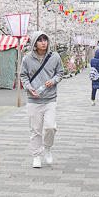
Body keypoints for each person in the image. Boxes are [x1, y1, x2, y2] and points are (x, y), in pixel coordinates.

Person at [18, 31, 64, 169]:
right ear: (34, 43)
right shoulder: (27, 58)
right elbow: (23, 75)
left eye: (45, 40)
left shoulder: (55, 56)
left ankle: (47, 148)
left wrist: (54, 80)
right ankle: (37, 155)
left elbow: (60, 73)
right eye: (40, 40)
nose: (43, 43)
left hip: (50, 98)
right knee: (35, 129)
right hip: (33, 99)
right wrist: (28, 87)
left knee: (51, 126)